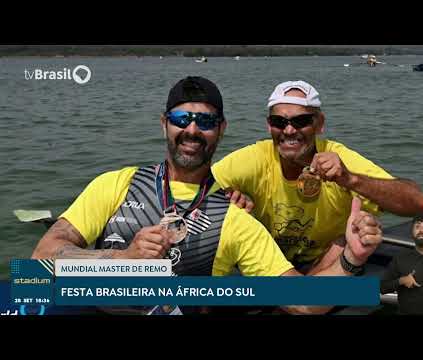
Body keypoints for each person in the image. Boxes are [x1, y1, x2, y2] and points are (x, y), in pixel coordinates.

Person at [31, 76, 383, 315]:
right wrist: (122, 258)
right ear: (164, 123)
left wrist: (351, 258)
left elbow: (303, 304)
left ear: (222, 130)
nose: (192, 130)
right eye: (182, 119)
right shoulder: (116, 184)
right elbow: (39, 261)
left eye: (207, 122)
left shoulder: (233, 218)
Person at [211, 80, 423, 273]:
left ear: (319, 124)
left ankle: (305, 298)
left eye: (301, 121)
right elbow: (184, 190)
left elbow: (418, 203)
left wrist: (350, 179)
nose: (288, 131)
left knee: (345, 239)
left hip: (324, 262)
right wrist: (224, 201)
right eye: (279, 122)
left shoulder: (339, 156)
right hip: (270, 259)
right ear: (269, 126)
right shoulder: (254, 159)